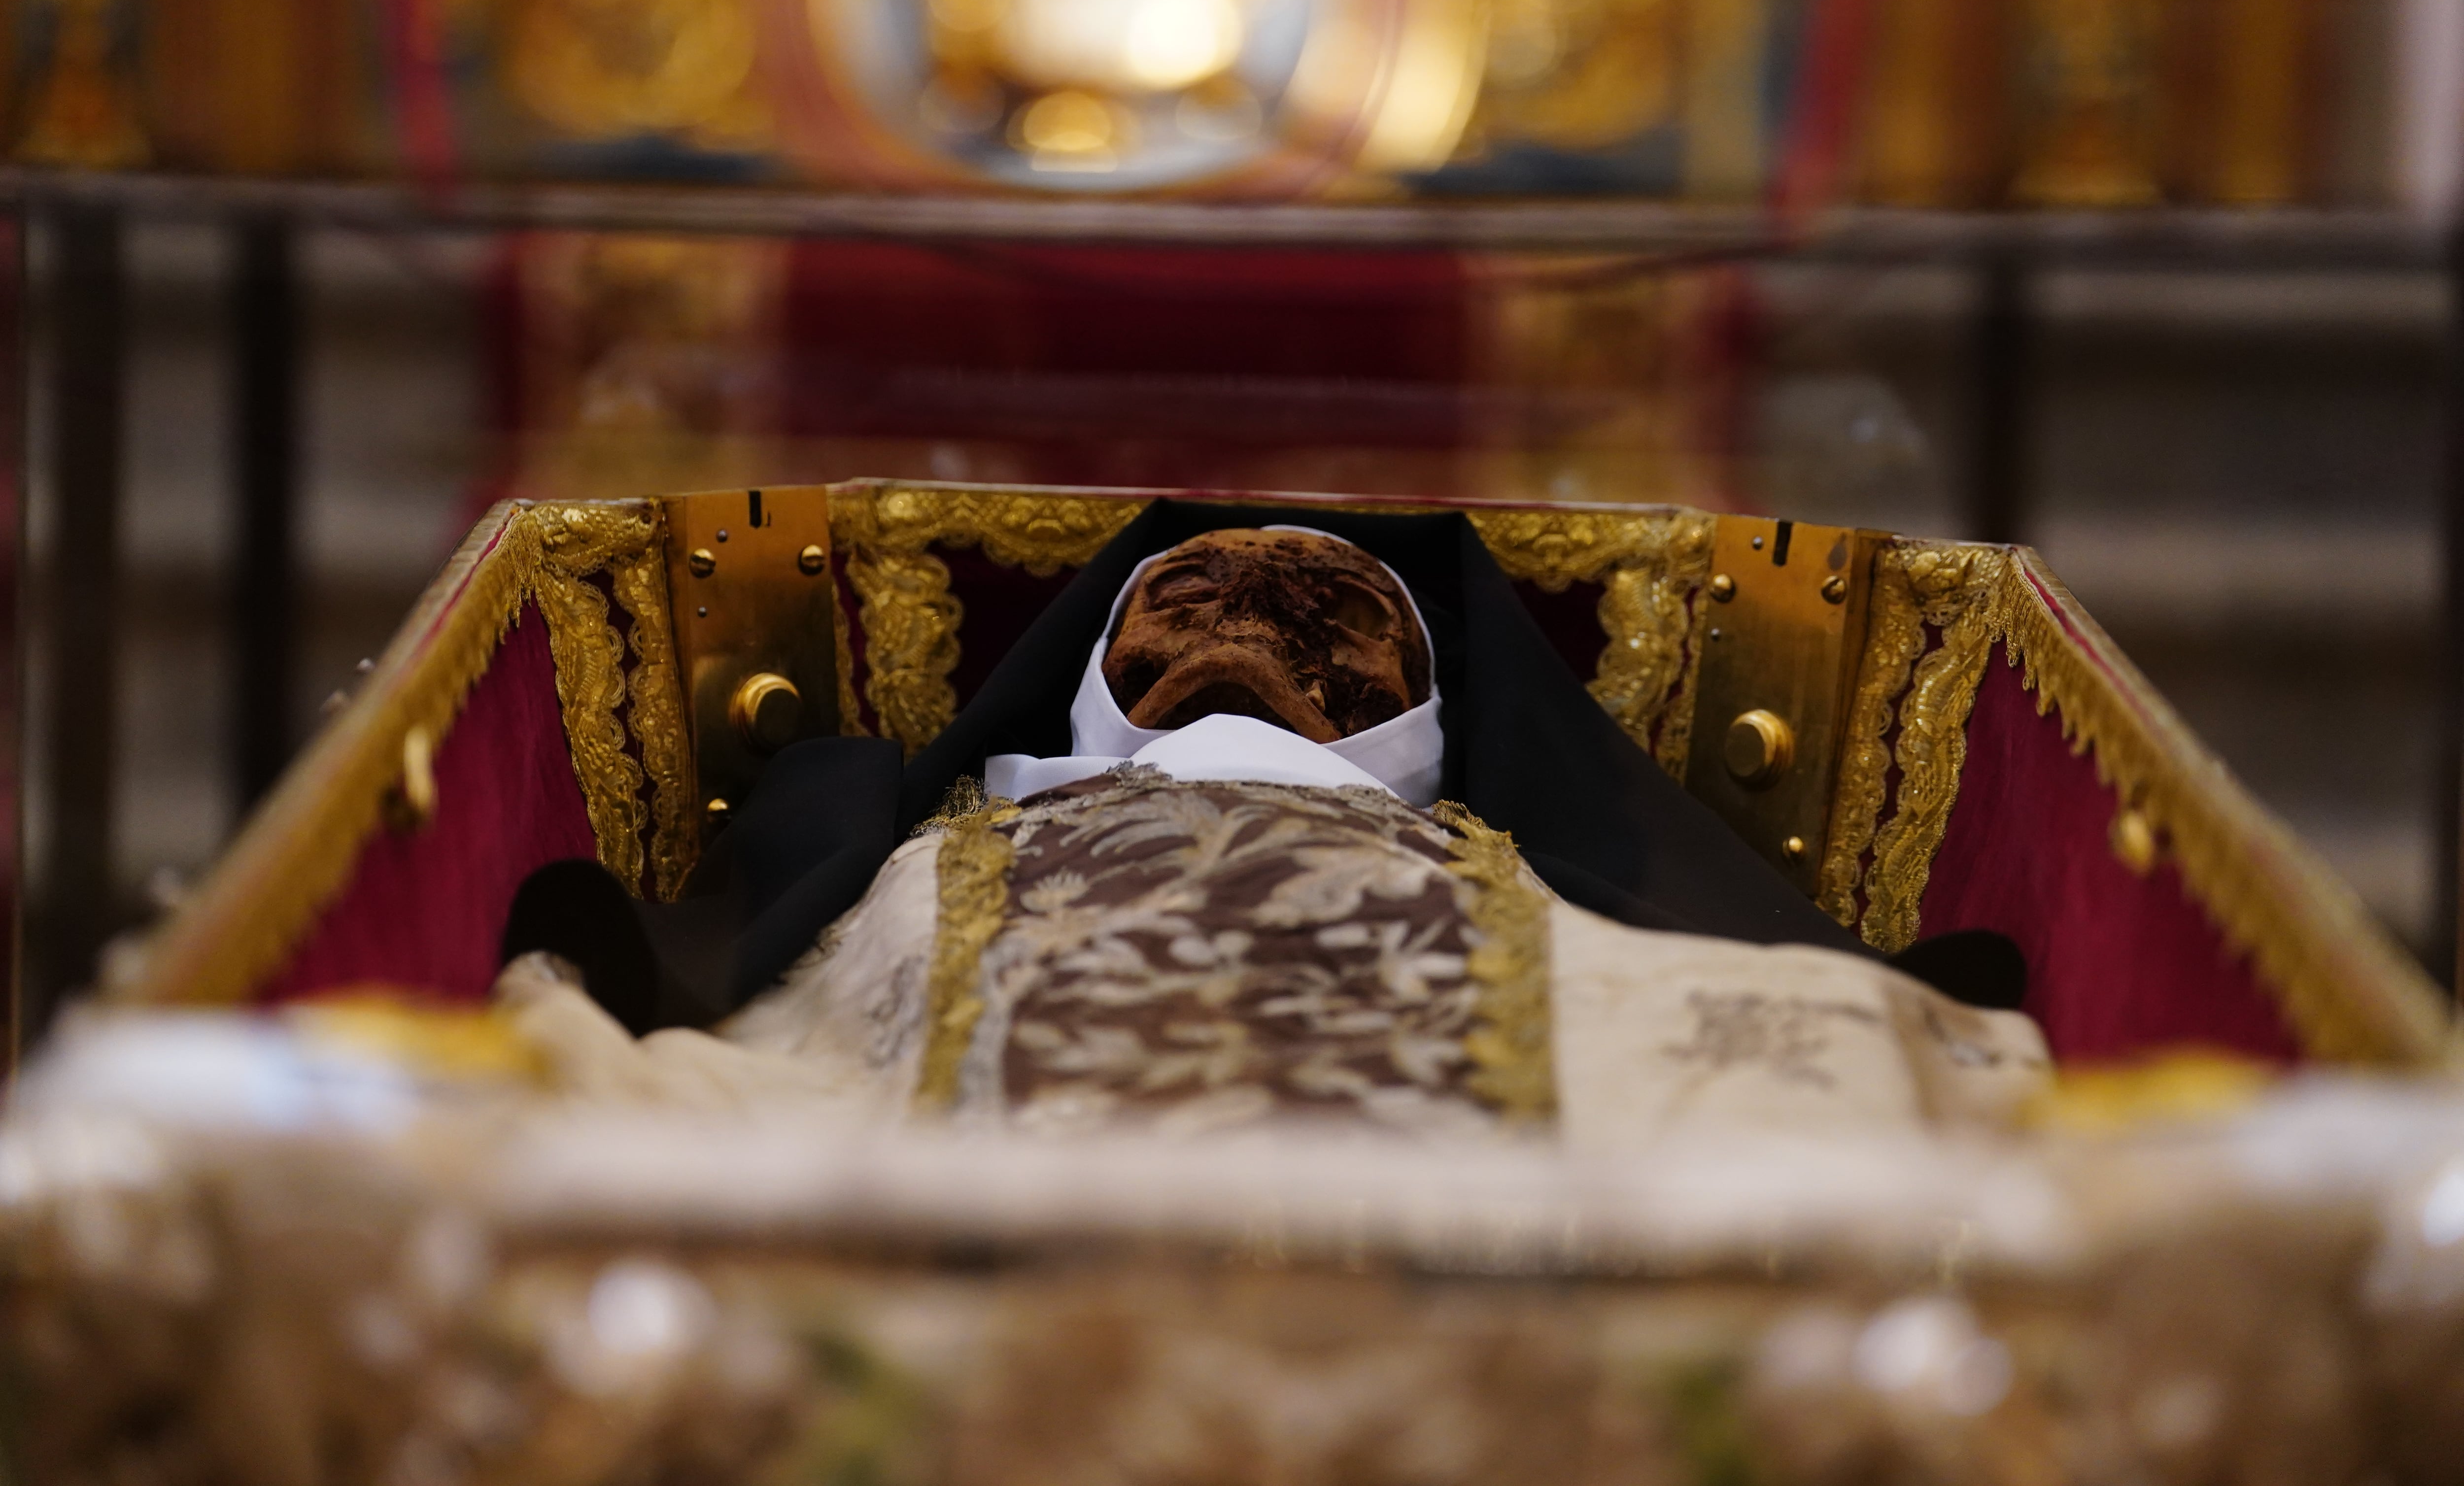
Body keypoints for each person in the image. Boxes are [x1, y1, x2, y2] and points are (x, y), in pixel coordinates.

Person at [500, 503, 2045, 1142]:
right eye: (1186, 620)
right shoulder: (954, 834)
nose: (1243, 650)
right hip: (1043, 901)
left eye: (1324, 639)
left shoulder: (1475, 848)